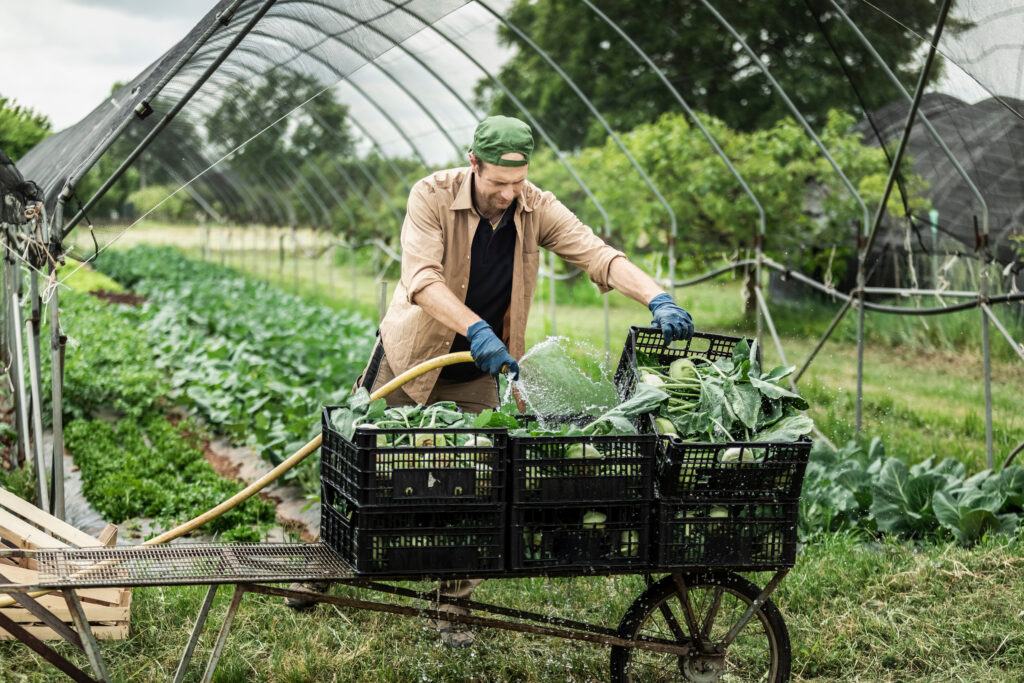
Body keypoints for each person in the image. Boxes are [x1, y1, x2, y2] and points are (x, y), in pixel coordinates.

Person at [287, 115, 694, 647]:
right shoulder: (430, 195)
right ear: (473, 164)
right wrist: (474, 326)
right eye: (498, 183)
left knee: (476, 483)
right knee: (362, 459)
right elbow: (422, 280)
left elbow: (596, 253)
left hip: (487, 364)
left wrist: (655, 296)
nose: (508, 194)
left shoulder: (535, 205)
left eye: (517, 182)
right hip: (411, 355)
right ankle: (326, 562)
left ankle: (450, 605)